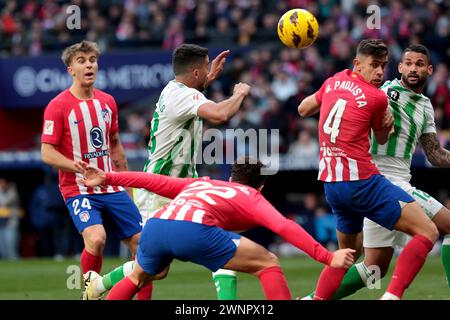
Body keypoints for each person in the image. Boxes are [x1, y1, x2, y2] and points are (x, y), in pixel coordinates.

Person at [87, 43, 251, 300]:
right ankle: (98, 287)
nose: (209, 71)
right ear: (195, 72)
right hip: (159, 191)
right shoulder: (183, 96)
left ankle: (98, 287)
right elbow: (220, 114)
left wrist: (209, 78)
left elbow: (198, 94)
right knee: (154, 269)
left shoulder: (176, 90)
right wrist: (239, 93)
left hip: (185, 187)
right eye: (205, 67)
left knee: (222, 247)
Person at [76, 158, 355, 300]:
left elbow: (152, 180)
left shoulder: (201, 182)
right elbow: (284, 225)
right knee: (267, 263)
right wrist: (327, 257)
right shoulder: (251, 196)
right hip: (194, 232)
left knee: (139, 276)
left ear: (231, 177)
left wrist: (108, 177)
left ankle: (97, 289)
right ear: (260, 186)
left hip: (156, 226)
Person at [303, 44, 450, 300]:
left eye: (419, 64)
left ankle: (313, 299)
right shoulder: (384, 91)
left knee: (374, 269)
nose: (413, 68)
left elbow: (435, 155)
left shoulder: (425, 105)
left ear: (429, 70)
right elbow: (361, 98)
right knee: (445, 227)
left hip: (383, 184)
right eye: (408, 63)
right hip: (380, 181)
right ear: (400, 67)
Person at [40, 40, 144, 297]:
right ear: (70, 70)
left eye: (92, 60)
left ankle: (118, 291)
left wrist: (126, 185)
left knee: (144, 248)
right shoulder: (58, 105)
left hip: (111, 185)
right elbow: (46, 152)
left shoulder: (108, 102)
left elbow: (116, 145)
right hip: (78, 188)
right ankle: (90, 292)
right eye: (82, 61)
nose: (89, 65)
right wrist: (72, 165)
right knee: (97, 239)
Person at [0, 178, 21, 260]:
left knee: (10, 248)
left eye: (2, 183)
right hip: (1, 224)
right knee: (2, 250)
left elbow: (4, 201)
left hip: (10, 224)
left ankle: (18, 270)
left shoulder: (12, 192)